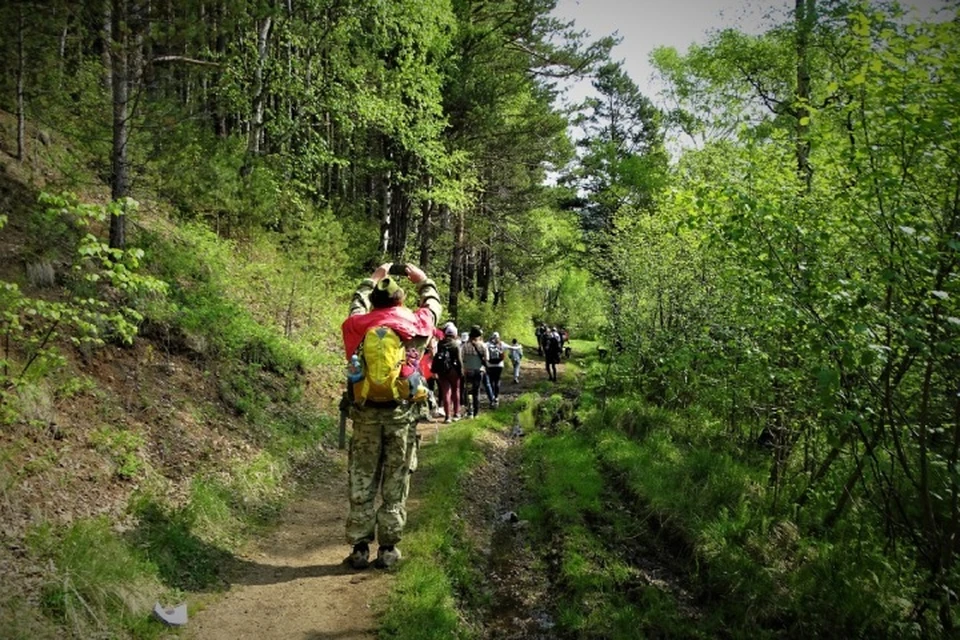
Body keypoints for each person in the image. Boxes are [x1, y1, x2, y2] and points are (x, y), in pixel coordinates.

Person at [340, 262, 441, 570]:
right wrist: (423, 281)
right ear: (399, 300)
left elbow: (356, 300)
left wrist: (373, 278)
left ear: (374, 302)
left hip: (366, 415)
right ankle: (387, 549)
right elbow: (433, 306)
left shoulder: (358, 325)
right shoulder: (415, 325)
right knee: (396, 481)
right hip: (401, 416)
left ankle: (359, 549)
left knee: (362, 477)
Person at [460, 325, 494, 417]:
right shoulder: (483, 345)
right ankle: (476, 412)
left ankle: (469, 411)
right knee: (477, 391)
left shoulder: (465, 346)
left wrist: (464, 368)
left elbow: (461, 358)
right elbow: (487, 358)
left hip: (468, 371)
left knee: (468, 391)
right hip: (479, 371)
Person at [433, 323, 463, 424]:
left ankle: (447, 417)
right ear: (455, 334)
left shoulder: (440, 343)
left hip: (442, 371)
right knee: (456, 390)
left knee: (446, 392)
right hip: (453, 371)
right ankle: (456, 413)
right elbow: (459, 360)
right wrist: (461, 372)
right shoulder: (456, 344)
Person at [485, 332, 506, 407]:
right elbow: (511, 347)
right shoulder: (501, 344)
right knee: (497, 381)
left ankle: (492, 396)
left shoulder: (487, 344)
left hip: (490, 365)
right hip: (499, 365)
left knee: (491, 381)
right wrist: (518, 346)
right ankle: (496, 397)